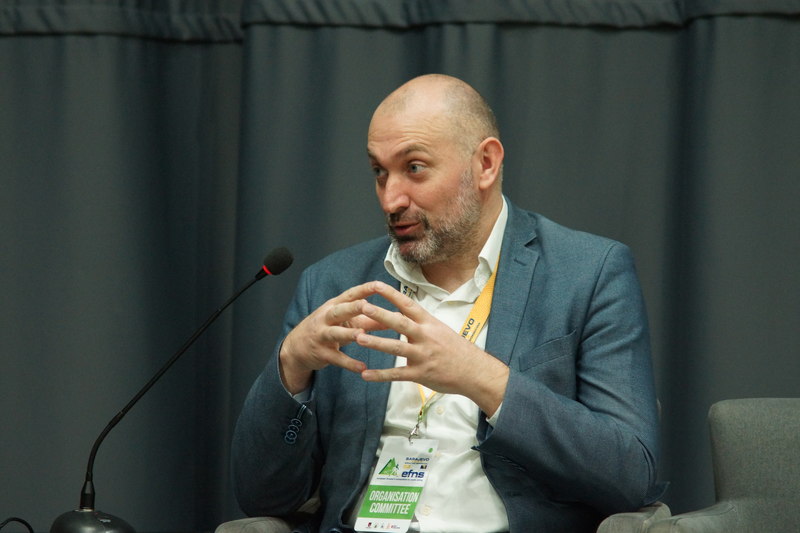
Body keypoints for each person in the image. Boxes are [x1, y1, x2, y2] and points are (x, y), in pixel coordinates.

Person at [231, 74, 663, 533]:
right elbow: (261, 495)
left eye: (414, 167)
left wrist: (482, 378)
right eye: (379, 172)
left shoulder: (588, 273)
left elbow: (631, 476)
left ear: (485, 164)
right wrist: (291, 366)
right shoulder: (333, 285)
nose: (391, 199)